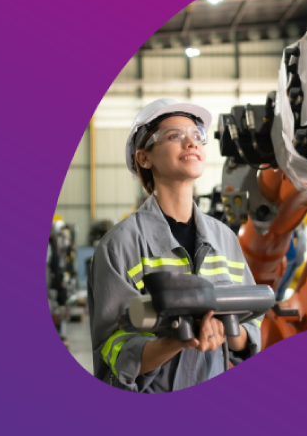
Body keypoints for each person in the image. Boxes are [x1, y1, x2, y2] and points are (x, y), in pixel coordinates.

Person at [87, 98, 261, 392]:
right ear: (144, 158)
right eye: (174, 136)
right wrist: (179, 339)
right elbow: (115, 348)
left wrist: (226, 330)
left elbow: (251, 329)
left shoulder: (225, 239)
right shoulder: (120, 246)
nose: (191, 142)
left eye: (197, 136)